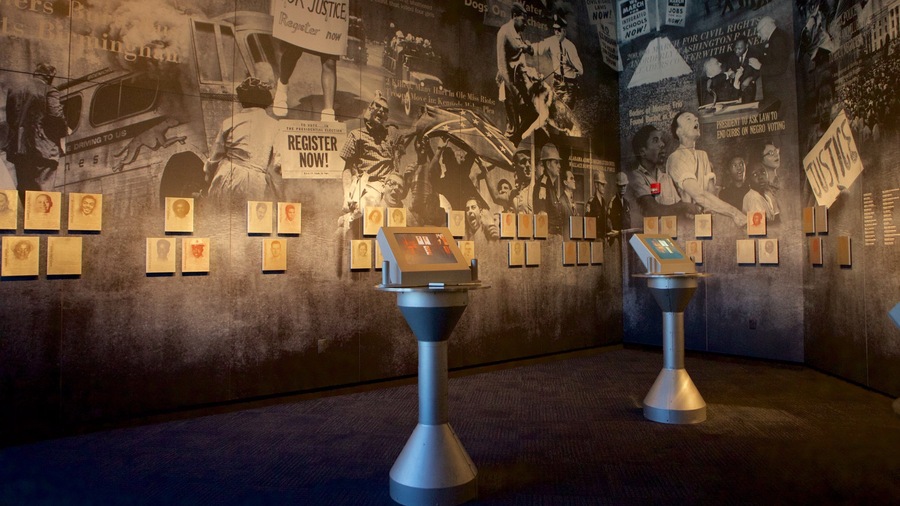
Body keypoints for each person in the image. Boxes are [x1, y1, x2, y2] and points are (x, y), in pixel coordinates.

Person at [205, 77, 281, 207]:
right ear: (265, 101)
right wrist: (279, 193)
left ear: (242, 101)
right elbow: (277, 164)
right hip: (254, 183)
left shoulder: (230, 122)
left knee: (223, 220)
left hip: (225, 177)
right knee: (249, 221)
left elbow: (214, 158)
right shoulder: (275, 125)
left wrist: (208, 178)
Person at [666, 111, 746, 227]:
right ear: (679, 132)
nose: (696, 120)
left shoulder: (702, 155)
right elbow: (699, 195)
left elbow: (710, 193)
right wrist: (734, 213)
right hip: (683, 224)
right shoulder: (675, 158)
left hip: (703, 223)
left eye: (695, 118)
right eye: (689, 119)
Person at [271, 7, 348, 121]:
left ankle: (328, 112)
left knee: (329, 60)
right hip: (307, 8)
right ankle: (281, 89)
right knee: (293, 50)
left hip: (327, 11)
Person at [6, 63, 67, 194]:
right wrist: (65, 130)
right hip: (43, 150)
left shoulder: (14, 91)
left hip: (19, 150)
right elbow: (56, 116)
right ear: (49, 76)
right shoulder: (49, 90)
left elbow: (10, 119)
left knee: (25, 191)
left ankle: (27, 215)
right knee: (43, 193)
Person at [340, 92, 402, 217]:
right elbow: (347, 168)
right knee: (364, 212)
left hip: (389, 186)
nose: (381, 111)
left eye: (385, 110)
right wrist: (346, 195)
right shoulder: (356, 135)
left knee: (403, 219)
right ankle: (347, 222)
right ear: (370, 109)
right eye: (378, 107)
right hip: (367, 185)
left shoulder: (391, 135)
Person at [627, 125, 697, 220]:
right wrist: (685, 207)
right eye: (655, 140)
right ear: (643, 152)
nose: (662, 144)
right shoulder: (635, 177)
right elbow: (652, 210)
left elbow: (678, 207)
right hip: (645, 235)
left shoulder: (666, 178)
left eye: (661, 140)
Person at [496, 3, 531, 140]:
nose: (526, 24)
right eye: (523, 20)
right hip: (509, 86)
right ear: (514, 16)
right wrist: (514, 91)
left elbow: (521, 60)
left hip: (520, 84)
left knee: (531, 115)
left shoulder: (518, 34)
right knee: (512, 126)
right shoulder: (504, 32)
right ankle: (506, 152)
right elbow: (502, 66)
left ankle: (515, 143)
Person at [532, 15, 583, 108]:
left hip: (569, 86)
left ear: (564, 31)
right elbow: (538, 48)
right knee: (555, 110)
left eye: (559, 30)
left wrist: (570, 64)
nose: (557, 33)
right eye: (555, 30)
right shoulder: (551, 41)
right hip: (557, 83)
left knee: (565, 112)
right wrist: (527, 47)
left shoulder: (570, 47)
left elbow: (581, 70)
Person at [748, 17, 790, 102]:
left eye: (759, 31)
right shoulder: (777, 36)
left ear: (766, 27)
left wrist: (760, 66)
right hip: (779, 89)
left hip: (780, 90)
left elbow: (780, 67)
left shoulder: (777, 39)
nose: (758, 35)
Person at [533, 143, 565, 234]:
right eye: (556, 162)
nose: (559, 166)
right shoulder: (543, 184)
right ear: (548, 164)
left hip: (555, 238)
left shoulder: (551, 185)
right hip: (549, 240)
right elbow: (541, 215)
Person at [721, 36, 758, 103]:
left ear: (746, 46)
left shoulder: (754, 55)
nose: (737, 51)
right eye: (735, 48)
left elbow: (758, 71)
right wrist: (731, 75)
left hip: (748, 88)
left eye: (739, 48)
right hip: (735, 90)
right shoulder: (731, 57)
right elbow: (728, 70)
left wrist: (750, 78)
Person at [607, 172, 632, 240]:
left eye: (624, 186)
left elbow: (628, 223)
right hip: (616, 239)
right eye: (621, 186)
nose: (623, 188)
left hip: (626, 238)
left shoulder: (627, 203)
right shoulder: (612, 203)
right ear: (617, 186)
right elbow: (609, 223)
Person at [585, 170, 608, 240]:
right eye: (602, 184)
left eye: (604, 184)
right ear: (596, 185)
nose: (604, 187)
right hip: (595, 240)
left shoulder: (604, 202)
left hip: (603, 239)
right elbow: (588, 224)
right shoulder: (591, 202)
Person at [510, 146, 533, 213]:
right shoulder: (513, 193)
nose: (528, 165)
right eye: (523, 162)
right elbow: (496, 197)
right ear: (515, 166)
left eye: (530, 161)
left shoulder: (538, 189)